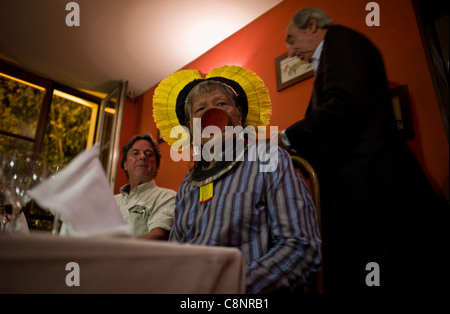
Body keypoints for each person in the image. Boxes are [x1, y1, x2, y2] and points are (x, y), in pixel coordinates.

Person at [279, 8, 447, 294]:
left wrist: (288, 136)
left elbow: (344, 104)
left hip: (372, 188)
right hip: (366, 192)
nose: (292, 52)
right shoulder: (334, 55)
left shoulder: (340, 40)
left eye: (293, 41)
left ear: (312, 25)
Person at [152, 65, 322, 294]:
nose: (212, 112)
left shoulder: (269, 160)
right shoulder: (186, 186)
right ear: (191, 129)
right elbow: (176, 257)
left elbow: (302, 246)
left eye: (221, 104)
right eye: (200, 108)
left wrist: (237, 286)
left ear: (239, 115)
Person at [115, 134, 176, 240]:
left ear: (156, 165)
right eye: (135, 153)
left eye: (149, 154)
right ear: (125, 164)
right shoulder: (112, 201)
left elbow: (157, 236)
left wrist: (113, 251)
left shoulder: (166, 197)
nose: (142, 156)